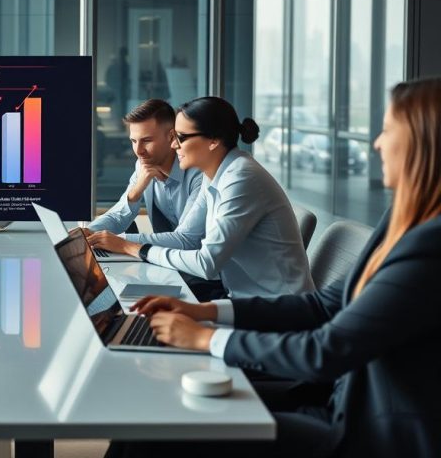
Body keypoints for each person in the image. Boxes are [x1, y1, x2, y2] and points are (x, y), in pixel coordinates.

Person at [116, 78, 441, 458]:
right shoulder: (399, 224)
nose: (377, 143)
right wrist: (203, 312)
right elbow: (323, 305)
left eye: (387, 130)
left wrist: (205, 337)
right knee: (151, 416)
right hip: (337, 397)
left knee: (158, 427)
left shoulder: (429, 246)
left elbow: (327, 349)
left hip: (362, 429)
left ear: (424, 144)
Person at [90, 97, 314, 298]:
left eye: (180, 137)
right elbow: (190, 241)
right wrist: (100, 238)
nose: (174, 144)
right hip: (241, 296)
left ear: (213, 141)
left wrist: (129, 246)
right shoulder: (216, 174)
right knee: (148, 314)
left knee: (152, 320)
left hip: (278, 308)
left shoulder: (241, 178)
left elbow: (204, 260)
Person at [81, 99, 221, 299]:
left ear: (172, 137)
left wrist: (120, 242)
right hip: (166, 266)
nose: (138, 151)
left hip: (202, 275)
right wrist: (87, 234)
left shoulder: (199, 174)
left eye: (146, 140)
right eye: (133, 141)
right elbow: (120, 216)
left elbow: (189, 241)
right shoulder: (143, 164)